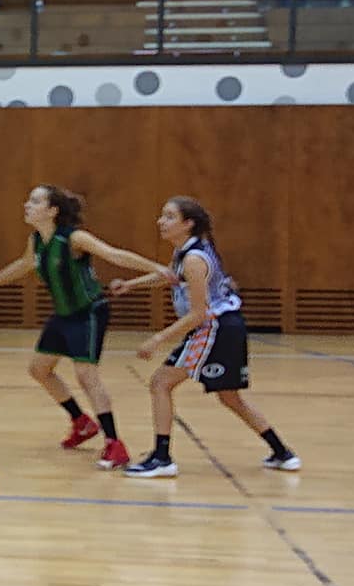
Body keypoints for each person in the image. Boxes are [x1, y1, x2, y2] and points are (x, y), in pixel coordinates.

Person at [0, 185, 174, 469]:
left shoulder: (74, 238)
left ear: (52, 211)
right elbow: (24, 264)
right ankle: (81, 423)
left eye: (35, 201)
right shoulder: (37, 241)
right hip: (64, 315)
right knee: (39, 369)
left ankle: (115, 444)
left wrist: (155, 268)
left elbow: (113, 254)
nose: (26, 204)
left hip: (88, 312)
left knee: (85, 374)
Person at [112, 197, 301, 478]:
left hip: (214, 328)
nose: (160, 221)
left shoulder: (193, 259)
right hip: (225, 327)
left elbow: (198, 314)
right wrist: (131, 285)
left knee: (160, 383)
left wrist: (157, 339)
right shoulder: (187, 252)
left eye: (169, 217)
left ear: (188, 224)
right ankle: (282, 453)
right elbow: (170, 277)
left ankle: (162, 458)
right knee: (229, 397)